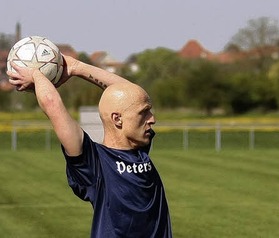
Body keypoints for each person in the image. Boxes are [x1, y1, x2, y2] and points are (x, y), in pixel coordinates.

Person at [7, 55, 172, 237]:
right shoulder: (93, 164)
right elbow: (52, 104)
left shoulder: (138, 149)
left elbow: (133, 94)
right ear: (117, 119)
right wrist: (37, 74)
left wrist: (78, 67)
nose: (152, 119)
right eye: (144, 113)